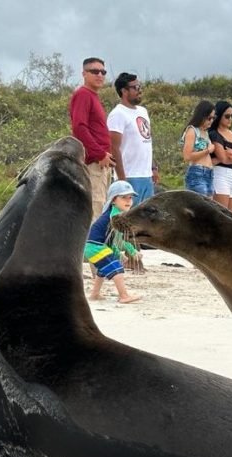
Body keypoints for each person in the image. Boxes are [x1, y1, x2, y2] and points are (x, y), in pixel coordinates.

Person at [70, 57, 115, 221]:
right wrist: (99, 153)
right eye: (94, 71)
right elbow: (79, 127)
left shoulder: (93, 96)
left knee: (101, 205)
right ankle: (90, 246)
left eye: (103, 72)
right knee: (94, 209)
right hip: (93, 162)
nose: (100, 75)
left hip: (102, 161)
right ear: (84, 73)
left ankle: (93, 245)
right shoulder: (83, 94)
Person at [84, 180, 142, 304]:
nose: (128, 201)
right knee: (117, 267)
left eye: (130, 197)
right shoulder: (115, 216)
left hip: (95, 246)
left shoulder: (114, 214)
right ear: (113, 200)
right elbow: (119, 238)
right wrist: (132, 251)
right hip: (96, 247)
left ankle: (95, 294)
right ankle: (124, 296)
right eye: (124, 197)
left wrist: (117, 253)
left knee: (102, 270)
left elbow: (110, 239)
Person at [108, 72, 158, 204]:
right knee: (129, 220)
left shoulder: (143, 111)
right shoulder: (118, 114)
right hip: (130, 176)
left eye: (140, 86)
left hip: (146, 176)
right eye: (135, 87)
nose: (139, 90)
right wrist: (122, 179)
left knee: (148, 220)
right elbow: (114, 147)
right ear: (124, 91)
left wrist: (153, 168)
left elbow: (146, 142)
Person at [182, 100, 216, 198]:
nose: (211, 121)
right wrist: (207, 151)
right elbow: (187, 156)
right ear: (202, 116)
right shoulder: (192, 131)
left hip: (209, 173)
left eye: (213, 118)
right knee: (201, 208)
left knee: (209, 208)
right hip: (197, 173)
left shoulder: (205, 132)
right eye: (209, 118)